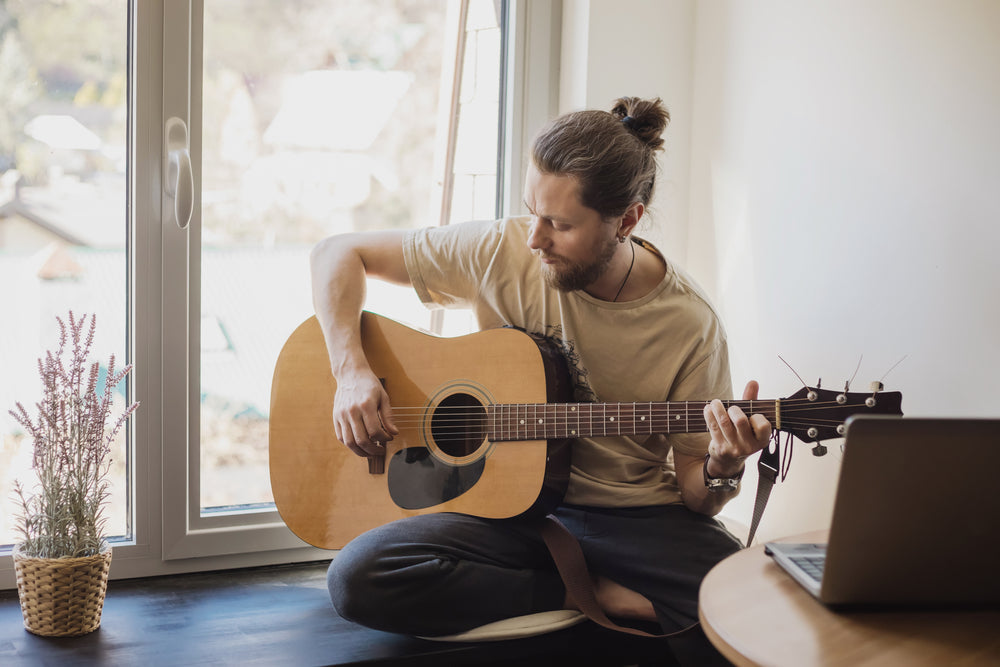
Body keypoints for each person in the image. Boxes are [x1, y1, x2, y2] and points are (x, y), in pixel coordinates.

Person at [309, 96, 773, 655]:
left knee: (752, 609)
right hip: (502, 513)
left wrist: (724, 468)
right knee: (359, 576)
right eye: (532, 211)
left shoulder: (689, 324)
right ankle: (596, 594)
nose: (534, 238)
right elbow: (338, 253)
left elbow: (700, 494)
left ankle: (579, 590)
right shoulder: (500, 250)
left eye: (559, 224)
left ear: (626, 220)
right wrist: (351, 372)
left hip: (632, 520)